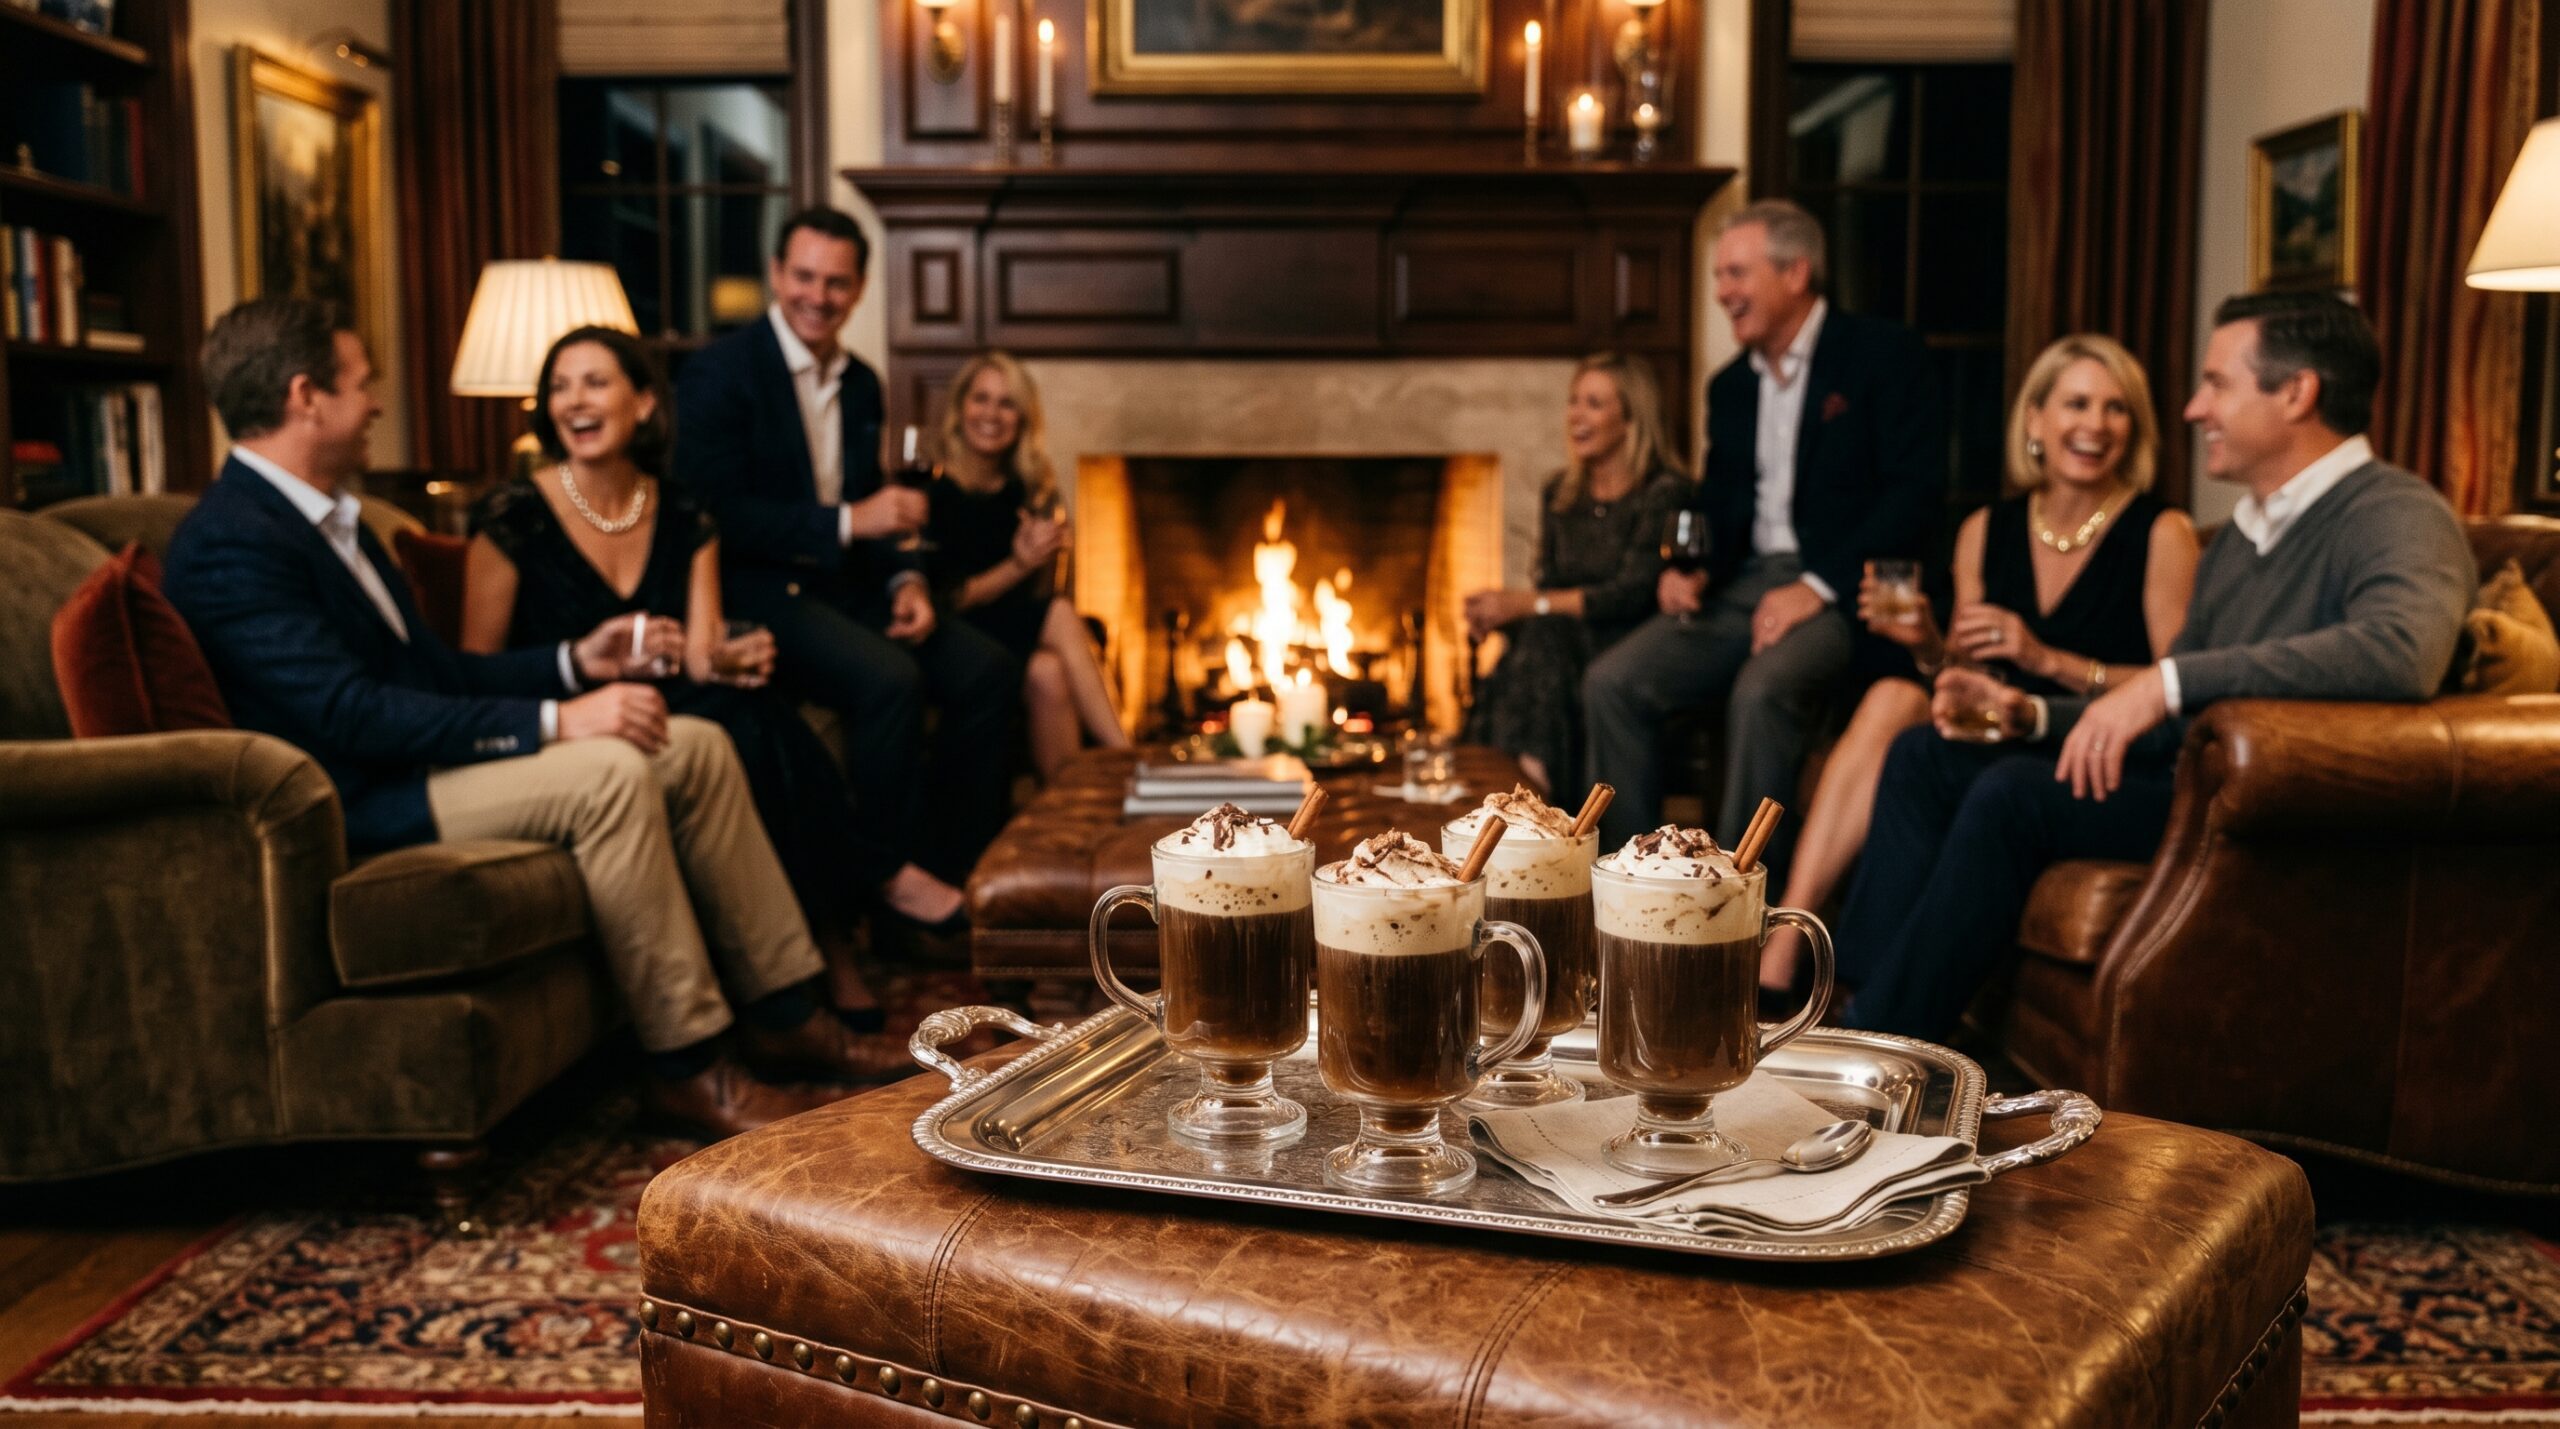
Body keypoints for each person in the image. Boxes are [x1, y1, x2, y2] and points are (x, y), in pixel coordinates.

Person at [162, 298, 898, 1141]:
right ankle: (690, 1066)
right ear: (306, 396)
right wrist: (559, 718)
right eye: (363, 385)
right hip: (360, 797)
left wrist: (575, 661)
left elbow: (439, 673)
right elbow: (349, 715)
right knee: (613, 770)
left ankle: (785, 1007)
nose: (374, 406)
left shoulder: (332, 517)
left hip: (409, 759)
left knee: (689, 742)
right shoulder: (234, 540)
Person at [1830, 291, 2475, 1039]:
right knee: (1926, 753)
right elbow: (2173, 702)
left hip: (2251, 805)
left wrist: (2167, 681)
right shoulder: (2241, 538)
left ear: (2297, 392)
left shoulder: (2397, 511)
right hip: (2180, 774)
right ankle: (1856, 1007)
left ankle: (1885, 1039)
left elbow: (2401, 652)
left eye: (2218, 384)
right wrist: (2031, 713)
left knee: (2011, 793)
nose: (2196, 408)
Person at [459, 326, 906, 1028]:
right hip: (568, 713)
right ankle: (851, 917)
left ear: (642, 403)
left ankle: (820, 953)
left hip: (671, 700)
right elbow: (476, 671)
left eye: (595, 382)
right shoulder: (511, 515)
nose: (574, 400)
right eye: (560, 386)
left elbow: (701, 654)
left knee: (751, 708)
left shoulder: (685, 509)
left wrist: (735, 653)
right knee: (739, 722)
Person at [1756, 334, 2200, 1002]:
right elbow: (1963, 675)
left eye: (2116, 410)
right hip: (2001, 734)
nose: (2096, 425)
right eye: (2077, 403)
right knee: (1912, 741)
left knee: (1938, 760)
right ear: (2035, 420)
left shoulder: (2162, 532)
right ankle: (1846, 988)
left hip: (2094, 748)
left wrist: (2045, 658)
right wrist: (1930, 643)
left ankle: (1859, 1001)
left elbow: (2175, 686)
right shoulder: (1986, 529)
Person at [673, 207, 1016, 928]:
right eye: (804, 277)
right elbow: (714, 510)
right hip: (757, 587)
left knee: (985, 669)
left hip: (849, 586)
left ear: (859, 289)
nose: (818, 296)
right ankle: (891, 891)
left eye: (836, 283)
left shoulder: (860, 380)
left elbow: (876, 505)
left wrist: (908, 580)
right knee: (890, 677)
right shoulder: (720, 372)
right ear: (775, 274)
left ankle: (974, 877)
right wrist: (847, 523)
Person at [1580, 199, 1944, 865]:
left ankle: (1731, 902)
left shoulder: (1882, 356)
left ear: (1796, 272)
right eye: (1720, 276)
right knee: (1612, 682)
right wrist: (1689, 570)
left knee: (1762, 690)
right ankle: (1630, 883)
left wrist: (1815, 585)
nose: (1722, 292)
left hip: (1845, 588)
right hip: (1743, 585)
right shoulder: (1731, 388)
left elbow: (1914, 494)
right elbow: (1720, 502)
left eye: (1736, 274)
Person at [1460, 353, 1691, 802]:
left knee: (1541, 639)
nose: (1576, 415)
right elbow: (1550, 583)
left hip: (1629, 642)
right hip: (1563, 643)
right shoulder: (1560, 492)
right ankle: (1524, 791)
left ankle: (1526, 796)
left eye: (1594, 403)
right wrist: (1499, 613)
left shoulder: (1664, 493)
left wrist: (1525, 605)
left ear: (1630, 418)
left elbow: (1630, 594)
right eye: (1573, 401)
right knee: (1535, 644)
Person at [925, 351, 1129, 781]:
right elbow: (949, 598)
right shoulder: (936, 493)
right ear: (961, 408)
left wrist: (1049, 555)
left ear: (1022, 417)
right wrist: (1019, 565)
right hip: (961, 636)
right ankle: (1127, 756)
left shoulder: (1027, 487)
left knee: (1047, 671)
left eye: (1007, 403)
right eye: (981, 399)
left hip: (1017, 632)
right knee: (1057, 613)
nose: (992, 414)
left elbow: (1041, 590)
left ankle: (1068, 813)